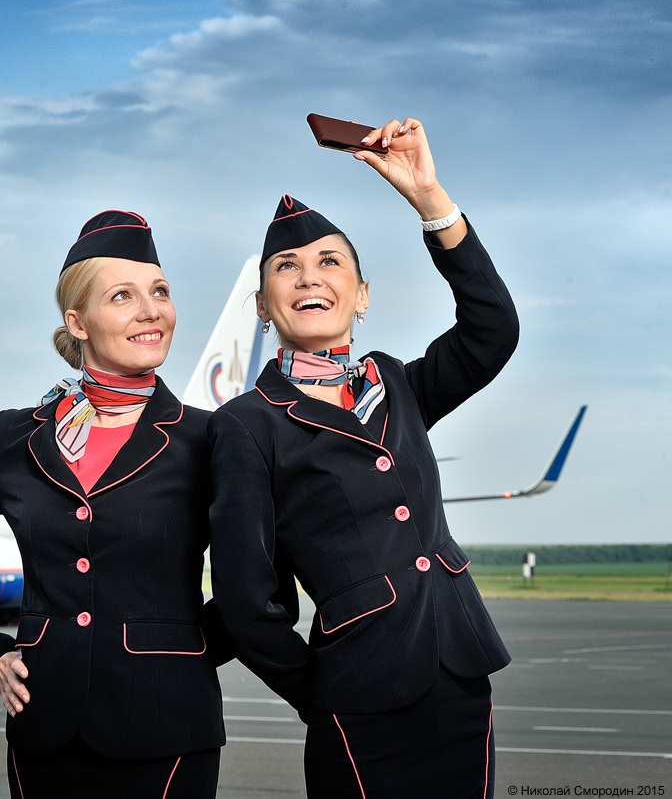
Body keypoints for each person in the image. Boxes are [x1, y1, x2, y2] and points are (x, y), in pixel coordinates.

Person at [208, 117, 517, 798]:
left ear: (363, 293)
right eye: (286, 267)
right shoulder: (248, 424)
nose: (308, 277)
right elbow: (246, 600)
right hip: (358, 703)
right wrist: (320, 693)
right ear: (262, 305)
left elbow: (493, 329)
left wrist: (429, 199)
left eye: (329, 262)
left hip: (460, 676)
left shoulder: (398, 385)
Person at [0, 211, 223, 799]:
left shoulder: (208, 438)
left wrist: (181, 652)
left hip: (167, 727)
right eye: (123, 296)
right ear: (77, 323)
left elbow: (260, 578)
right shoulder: (14, 437)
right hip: (43, 727)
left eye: (160, 291)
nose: (151, 310)